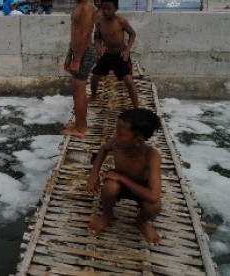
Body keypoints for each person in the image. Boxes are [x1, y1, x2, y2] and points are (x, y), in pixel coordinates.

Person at [86, 108, 162, 245]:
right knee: (109, 186)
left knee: (154, 207)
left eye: (120, 134)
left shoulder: (151, 156)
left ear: (138, 141)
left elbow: (153, 196)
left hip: (141, 187)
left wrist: (122, 178)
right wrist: (94, 174)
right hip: (119, 184)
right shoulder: (116, 144)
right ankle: (107, 215)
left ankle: (142, 222)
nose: (115, 136)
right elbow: (103, 149)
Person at [89, 0, 138, 107]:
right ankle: (93, 95)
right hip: (107, 55)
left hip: (121, 55)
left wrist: (128, 49)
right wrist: (98, 47)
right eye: (103, 9)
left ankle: (136, 107)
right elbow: (97, 37)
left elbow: (132, 34)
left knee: (128, 80)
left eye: (109, 9)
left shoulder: (121, 21)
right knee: (94, 77)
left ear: (116, 9)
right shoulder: (99, 22)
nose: (105, 11)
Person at [61, 0, 97, 138]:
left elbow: (86, 34)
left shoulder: (87, 7)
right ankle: (78, 124)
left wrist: (77, 60)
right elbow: (74, 33)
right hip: (78, 52)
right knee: (77, 90)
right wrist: (69, 56)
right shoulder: (79, 6)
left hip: (85, 52)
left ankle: (81, 128)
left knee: (79, 88)